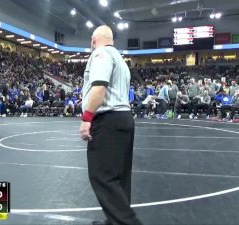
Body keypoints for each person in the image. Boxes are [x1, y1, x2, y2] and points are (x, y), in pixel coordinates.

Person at [79, 25, 143, 225]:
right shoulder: (119, 59)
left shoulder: (101, 54)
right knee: (119, 178)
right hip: (123, 119)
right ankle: (114, 221)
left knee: (102, 176)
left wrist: (87, 118)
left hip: (108, 120)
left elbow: (99, 88)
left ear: (94, 39)